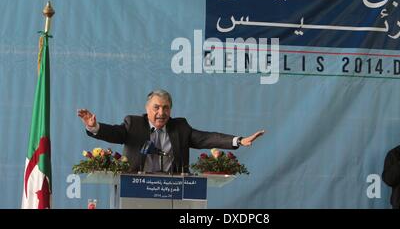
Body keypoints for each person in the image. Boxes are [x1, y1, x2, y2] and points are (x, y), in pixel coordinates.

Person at [77, 89, 265, 174]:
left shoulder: (180, 127)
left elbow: (206, 138)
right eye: (156, 107)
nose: (161, 113)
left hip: (173, 191)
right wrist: (94, 126)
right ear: (147, 108)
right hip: (136, 188)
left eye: (166, 108)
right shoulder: (133, 124)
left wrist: (238, 140)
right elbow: (114, 133)